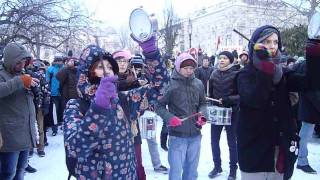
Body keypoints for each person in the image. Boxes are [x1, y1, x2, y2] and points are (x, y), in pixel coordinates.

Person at [63, 34, 169, 179]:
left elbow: (160, 88)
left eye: (110, 67)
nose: (107, 71)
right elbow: (74, 149)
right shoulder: (75, 106)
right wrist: (98, 109)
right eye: (101, 67)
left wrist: (151, 53)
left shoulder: (124, 100)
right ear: (86, 74)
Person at [236, 25, 312, 180]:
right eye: (266, 41)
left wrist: (314, 50)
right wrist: (266, 68)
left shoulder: (283, 72)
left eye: (275, 42)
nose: (272, 46)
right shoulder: (245, 75)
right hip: (254, 152)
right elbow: (255, 99)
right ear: (255, 45)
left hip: (281, 151)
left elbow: (309, 82)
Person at [156, 52, 207, 180]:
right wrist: (170, 118)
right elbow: (158, 106)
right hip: (177, 136)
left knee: (191, 171)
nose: (189, 71)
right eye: (185, 68)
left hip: (195, 135)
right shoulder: (170, 84)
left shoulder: (198, 84)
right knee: (176, 172)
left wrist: (203, 115)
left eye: (191, 68)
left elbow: (203, 103)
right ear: (178, 67)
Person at [0, 42, 38, 180]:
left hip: (25, 132)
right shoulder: (2, 74)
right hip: (9, 135)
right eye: (18, 63)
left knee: (20, 171)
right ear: (10, 60)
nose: (22, 66)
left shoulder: (22, 74)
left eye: (24, 62)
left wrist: (33, 90)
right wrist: (20, 81)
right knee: (8, 174)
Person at [208, 51, 239, 180]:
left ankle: (233, 169)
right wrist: (211, 102)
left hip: (232, 112)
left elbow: (242, 95)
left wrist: (229, 99)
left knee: (232, 142)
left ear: (230, 60)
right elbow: (210, 93)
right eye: (220, 58)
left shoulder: (237, 74)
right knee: (214, 141)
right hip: (217, 112)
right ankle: (217, 166)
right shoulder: (214, 73)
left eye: (225, 58)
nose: (221, 60)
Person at [291, 60, 319, 174]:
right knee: (305, 134)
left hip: (312, 105)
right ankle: (302, 161)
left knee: (306, 133)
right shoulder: (308, 65)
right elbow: (310, 89)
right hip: (310, 106)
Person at [46, 55, 64, 136]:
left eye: (60, 61)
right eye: (58, 61)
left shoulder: (65, 69)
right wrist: (49, 90)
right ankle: (54, 128)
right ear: (55, 61)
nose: (59, 62)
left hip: (63, 93)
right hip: (54, 94)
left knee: (64, 111)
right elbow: (47, 81)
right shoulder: (50, 69)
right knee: (54, 112)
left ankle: (65, 126)